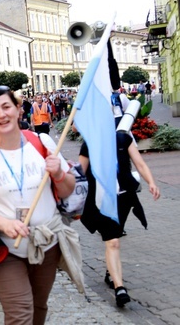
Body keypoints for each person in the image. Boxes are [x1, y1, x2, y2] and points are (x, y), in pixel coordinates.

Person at [0, 86, 81, 325]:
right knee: (20, 312)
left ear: (18, 110)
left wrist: (59, 173)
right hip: (4, 248)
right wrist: (4, 224)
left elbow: (68, 189)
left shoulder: (42, 142)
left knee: (38, 307)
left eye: (6, 107)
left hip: (45, 241)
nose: (2, 115)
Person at [78, 131, 160, 307]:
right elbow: (79, 174)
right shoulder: (89, 145)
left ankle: (111, 271)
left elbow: (140, 164)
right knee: (113, 241)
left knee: (115, 237)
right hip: (101, 201)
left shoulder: (123, 139)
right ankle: (119, 287)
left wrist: (151, 182)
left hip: (124, 198)